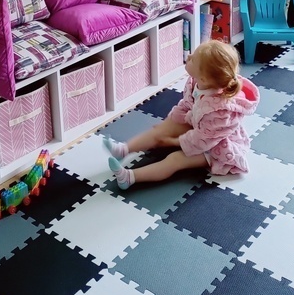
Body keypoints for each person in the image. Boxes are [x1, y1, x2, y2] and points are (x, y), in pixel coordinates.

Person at [105, 40, 259, 189]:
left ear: (204, 77)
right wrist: (169, 124)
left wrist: (173, 141)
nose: (189, 56)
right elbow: (187, 104)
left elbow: (203, 141)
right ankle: (123, 150)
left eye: (193, 59)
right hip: (200, 125)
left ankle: (129, 177)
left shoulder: (220, 112)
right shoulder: (196, 82)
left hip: (218, 146)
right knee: (158, 132)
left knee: (174, 160)